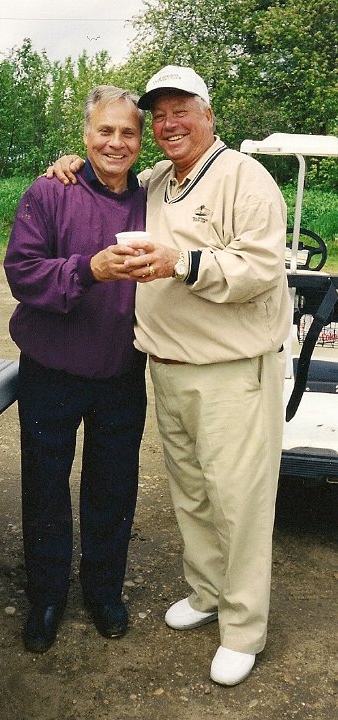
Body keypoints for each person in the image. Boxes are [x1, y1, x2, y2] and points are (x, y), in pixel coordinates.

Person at [47, 65, 292, 686]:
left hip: (232, 370)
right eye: (159, 115)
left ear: (209, 115)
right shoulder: (158, 182)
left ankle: (243, 627)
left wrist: (182, 263)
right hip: (168, 367)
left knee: (239, 501)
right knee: (193, 493)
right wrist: (68, 163)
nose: (168, 124)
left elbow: (261, 268)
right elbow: (109, 168)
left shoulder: (245, 177)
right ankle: (208, 593)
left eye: (182, 110)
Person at [4, 85, 147, 653]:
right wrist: (89, 269)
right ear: (85, 137)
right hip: (51, 367)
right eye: (105, 131)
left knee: (113, 487)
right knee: (45, 487)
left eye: (128, 132)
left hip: (121, 371)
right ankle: (45, 596)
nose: (116, 142)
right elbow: (23, 273)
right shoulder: (49, 190)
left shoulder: (156, 197)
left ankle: (104, 589)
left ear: (140, 141)